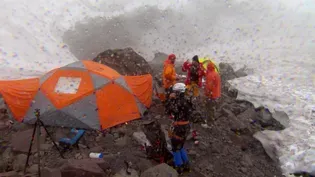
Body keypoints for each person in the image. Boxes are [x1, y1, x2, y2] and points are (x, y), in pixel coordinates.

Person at [168, 83, 192, 174]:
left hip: (180, 127)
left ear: (177, 92)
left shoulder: (178, 102)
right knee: (181, 145)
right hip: (186, 126)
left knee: (175, 147)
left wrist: (170, 99)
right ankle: (186, 164)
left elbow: (170, 110)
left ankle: (179, 167)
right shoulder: (187, 100)